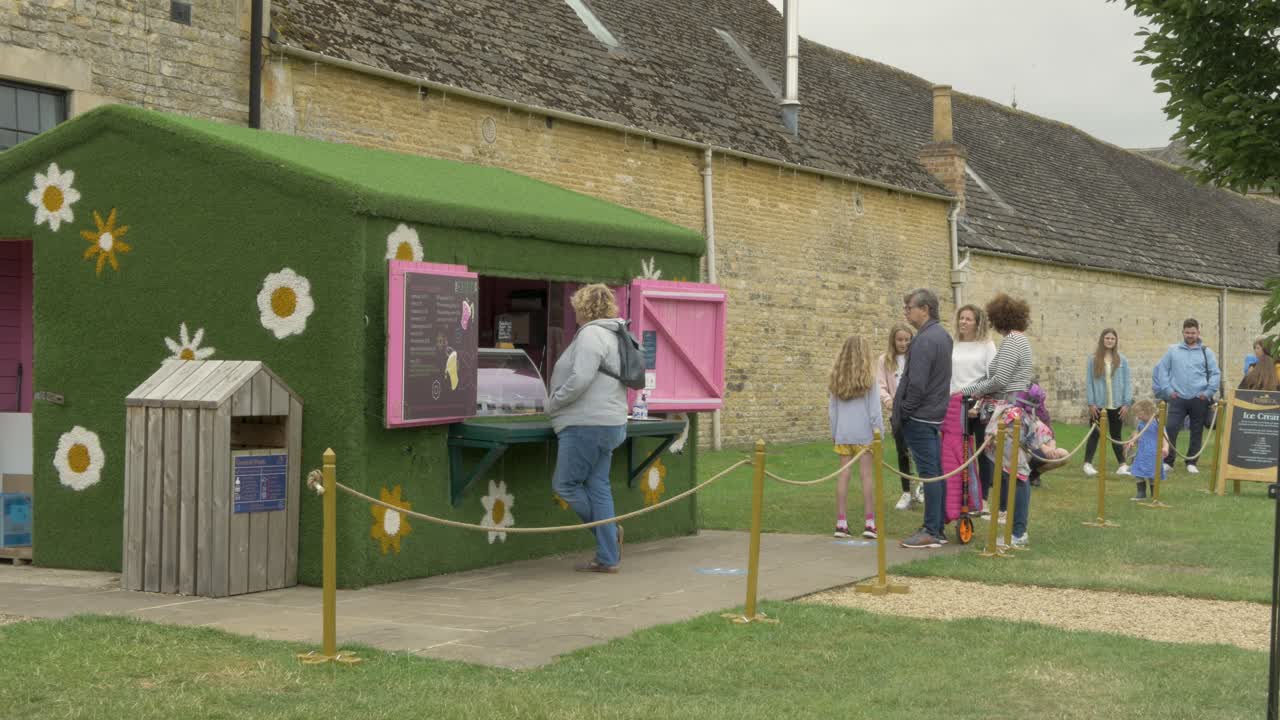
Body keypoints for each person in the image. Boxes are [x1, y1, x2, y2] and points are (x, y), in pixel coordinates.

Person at [546, 284, 628, 573]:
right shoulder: (617, 332)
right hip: (612, 422)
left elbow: (581, 378)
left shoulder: (592, 334)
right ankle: (608, 557)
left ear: (583, 308)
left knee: (565, 485)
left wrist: (553, 403)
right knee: (597, 485)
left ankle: (609, 536)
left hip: (586, 424)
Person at [961, 293, 1034, 515]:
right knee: (1007, 465)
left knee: (1012, 467)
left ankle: (1010, 517)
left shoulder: (1013, 340)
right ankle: (1005, 512)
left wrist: (968, 392)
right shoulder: (1016, 339)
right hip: (1012, 406)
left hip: (1010, 408)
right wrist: (967, 391)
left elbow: (1000, 380)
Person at [892, 289, 953, 549]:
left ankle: (931, 529)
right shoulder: (943, 336)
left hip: (920, 416)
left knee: (929, 474)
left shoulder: (926, 339)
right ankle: (936, 527)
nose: (906, 312)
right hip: (933, 414)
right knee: (935, 473)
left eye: (909, 307)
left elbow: (916, 384)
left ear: (925, 309)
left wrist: (904, 411)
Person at [984, 404, 1067, 547]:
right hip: (1010, 416)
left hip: (1015, 418)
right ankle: (1016, 530)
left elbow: (1002, 381)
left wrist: (968, 390)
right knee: (1012, 474)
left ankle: (1018, 533)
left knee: (1018, 474)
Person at [943, 304, 996, 521]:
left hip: (979, 403)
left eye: (968, 319)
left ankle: (982, 499)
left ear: (977, 322)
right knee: (959, 451)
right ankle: (963, 496)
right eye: (961, 318)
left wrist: (978, 402)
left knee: (983, 451)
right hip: (955, 403)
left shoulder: (987, 346)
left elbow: (992, 377)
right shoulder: (952, 345)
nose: (963, 322)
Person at [829, 336, 883, 539]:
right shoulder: (870, 380)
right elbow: (874, 411)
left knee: (843, 475)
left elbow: (832, 411)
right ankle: (870, 522)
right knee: (866, 476)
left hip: (843, 433)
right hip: (865, 435)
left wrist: (834, 433)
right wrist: (879, 433)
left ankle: (840, 522)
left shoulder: (836, 379)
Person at [1152, 318, 1221, 475]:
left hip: (1200, 398)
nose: (1190, 335)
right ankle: (1168, 461)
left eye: (1193, 332)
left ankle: (1191, 462)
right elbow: (1162, 371)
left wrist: (1208, 392)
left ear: (1198, 332)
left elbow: (1216, 373)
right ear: (1183, 332)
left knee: (1196, 431)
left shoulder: (1206, 352)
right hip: (1177, 397)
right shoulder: (1173, 350)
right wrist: (1168, 391)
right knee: (1171, 429)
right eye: (1187, 332)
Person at [875, 324, 916, 511]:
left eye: (907, 339)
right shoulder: (884, 360)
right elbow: (880, 385)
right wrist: (887, 400)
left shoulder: (915, 358)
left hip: (916, 411)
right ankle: (906, 491)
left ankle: (922, 486)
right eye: (900, 340)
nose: (904, 343)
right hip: (897, 412)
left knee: (920, 451)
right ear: (893, 340)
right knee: (903, 452)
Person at [1082, 328, 1133, 477]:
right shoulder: (1093, 360)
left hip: (1116, 404)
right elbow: (1089, 382)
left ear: (1115, 341)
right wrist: (1091, 403)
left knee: (1116, 434)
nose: (1110, 341)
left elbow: (1127, 382)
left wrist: (1126, 403)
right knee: (1095, 433)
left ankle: (1122, 465)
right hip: (1099, 404)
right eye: (1107, 338)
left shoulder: (1122, 360)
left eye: (1112, 339)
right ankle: (1087, 463)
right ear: (1102, 340)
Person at [1124, 399, 1169, 500]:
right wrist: (1132, 441)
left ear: (1146, 411)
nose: (1137, 416)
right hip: (1142, 453)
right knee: (1137, 472)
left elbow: (1165, 437)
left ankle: (1154, 494)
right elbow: (1137, 434)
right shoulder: (1141, 424)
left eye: (1138, 414)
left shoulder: (1158, 423)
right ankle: (1141, 493)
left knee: (1152, 474)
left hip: (1154, 454)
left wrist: (1165, 447)